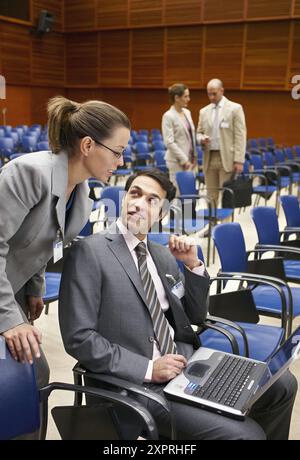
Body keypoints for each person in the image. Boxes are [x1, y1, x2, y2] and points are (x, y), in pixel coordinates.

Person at [59, 169, 297, 440]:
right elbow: (79, 338)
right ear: (124, 199)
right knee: (248, 435)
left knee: (283, 386)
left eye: (152, 200)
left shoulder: (162, 255)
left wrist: (192, 266)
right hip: (139, 385)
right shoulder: (90, 252)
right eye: (135, 194)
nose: (139, 203)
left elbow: (196, 315)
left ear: (161, 214)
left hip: (188, 366)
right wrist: (150, 368)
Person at [0, 95, 130, 400]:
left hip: (11, 286)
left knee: (34, 375)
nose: (121, 162)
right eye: (117, 152)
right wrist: (11, 319)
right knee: (27, 377)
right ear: (87, 146)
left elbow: (46, 243)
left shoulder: (83, 198)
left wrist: (34, 287)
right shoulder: (29, 174)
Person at [197, 78, 246, 206]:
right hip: (209, 157)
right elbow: (198, 132)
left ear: (222, 91)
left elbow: (240, 135)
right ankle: (212, 224)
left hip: (227, 157)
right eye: (209, 94)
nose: (211, 97)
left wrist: (239, 160)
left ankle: (226, 225)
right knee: (211, 195)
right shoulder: (204, 111)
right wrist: (201, 138)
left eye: (214, 93)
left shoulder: (235, 108)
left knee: (226, 195)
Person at [162, 83, 197, 192]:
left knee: (189, 196)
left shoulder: (187, 112)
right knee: (177, 195)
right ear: (177, 98)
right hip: (177, 162)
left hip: (191, 161)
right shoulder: (168, 116)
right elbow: (169, 142)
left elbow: (190, 135)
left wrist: (194, 155)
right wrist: (184, 160)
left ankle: (188, 210)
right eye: (186, 96)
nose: (189, 99)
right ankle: (176, 210)